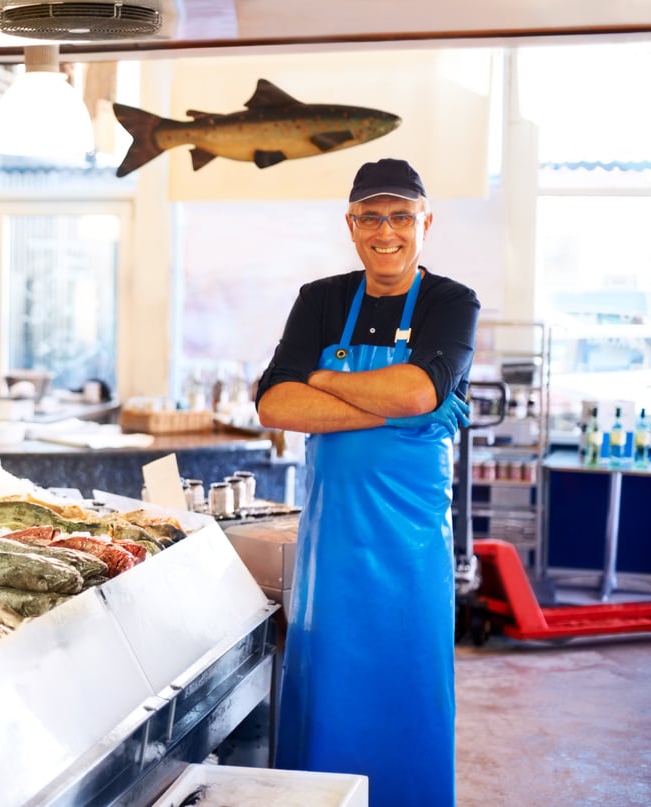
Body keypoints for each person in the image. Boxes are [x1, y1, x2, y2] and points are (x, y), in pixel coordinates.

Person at [255, 158, 479, 806]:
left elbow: (420, 386)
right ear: (351, 225)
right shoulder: (320, 299)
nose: (388, 231)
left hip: (413, 552)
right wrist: (391, 408)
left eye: (401, 215)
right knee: (329, 694)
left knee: (411, 693)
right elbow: (274, 403)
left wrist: (320, 382)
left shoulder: (451, 301)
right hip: (336, 545)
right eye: (372, 216)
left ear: (425, 222)